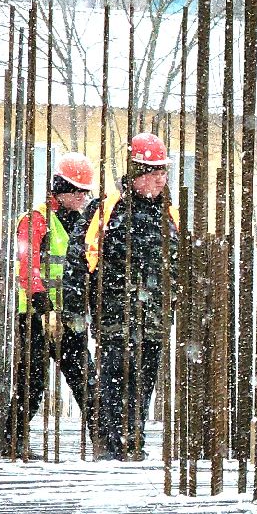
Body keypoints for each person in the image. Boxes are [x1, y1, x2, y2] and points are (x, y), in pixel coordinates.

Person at [80, 133, 179, 461]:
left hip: (153, 320)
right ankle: (111, 444)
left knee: (143, 383)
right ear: (135, 174)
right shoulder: (107, 210)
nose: (158, 180)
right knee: (113, 380)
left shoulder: (172, 217)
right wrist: (75, 305)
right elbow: (80, 261)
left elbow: (183, 269)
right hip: (114, 316)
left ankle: (132, 441)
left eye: (162, 173)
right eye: (152, 173)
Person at [9, 152, 100, 458]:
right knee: (32, 380)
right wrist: (40, 299)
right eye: (78, 192)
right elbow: (27, 263)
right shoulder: (36, 220)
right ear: (62, 190)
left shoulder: (83, 223)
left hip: (70, 314)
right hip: (36, 315)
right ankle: (14, 440)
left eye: (85, 192)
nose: (83, 197)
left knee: (85, 378)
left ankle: (102, 439)